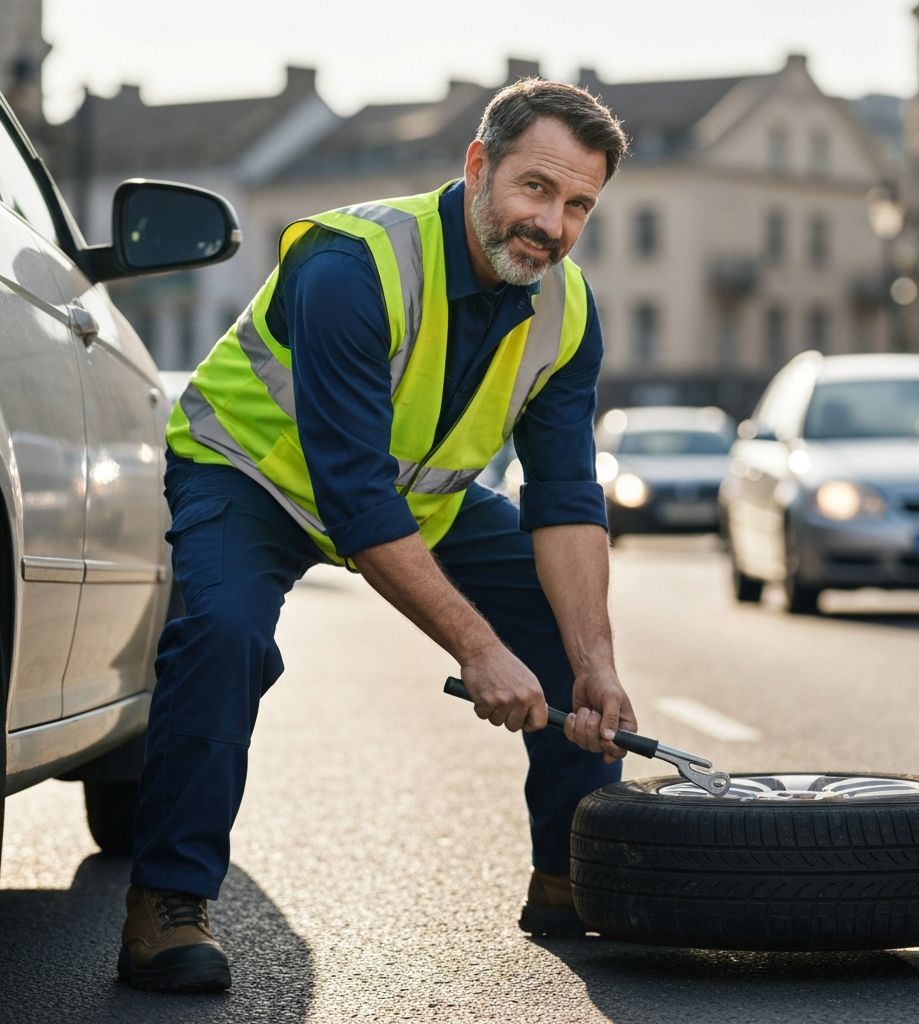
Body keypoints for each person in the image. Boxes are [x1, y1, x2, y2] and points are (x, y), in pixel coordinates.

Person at [117, 77, 636, 993]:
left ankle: (572, 881)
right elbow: (352, 498)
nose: (552, 224)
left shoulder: (569, 309)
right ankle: (168, 901)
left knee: (564, 631)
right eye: (535, 189)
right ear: (478, 167)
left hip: (412, 500)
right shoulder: (353, 265)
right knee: (226, 635)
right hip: (255, 477)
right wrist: (478, 648)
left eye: (579, 205)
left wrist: (593, 660)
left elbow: (564, 496)